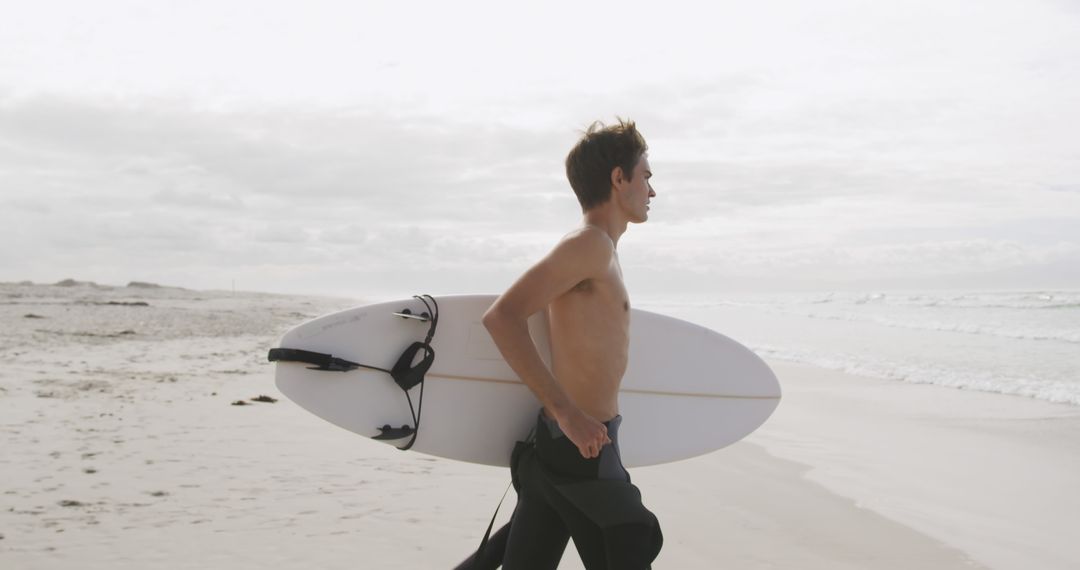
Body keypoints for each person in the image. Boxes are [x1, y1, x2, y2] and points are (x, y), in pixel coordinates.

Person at [458, 119, 663, 569]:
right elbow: (502, 318)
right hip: (580, 448)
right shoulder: (589, 245)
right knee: (632, 543)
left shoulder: (602, 249)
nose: (652, 190)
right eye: (646, 175)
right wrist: (569, 414)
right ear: (618, 178)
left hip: (572, 447)